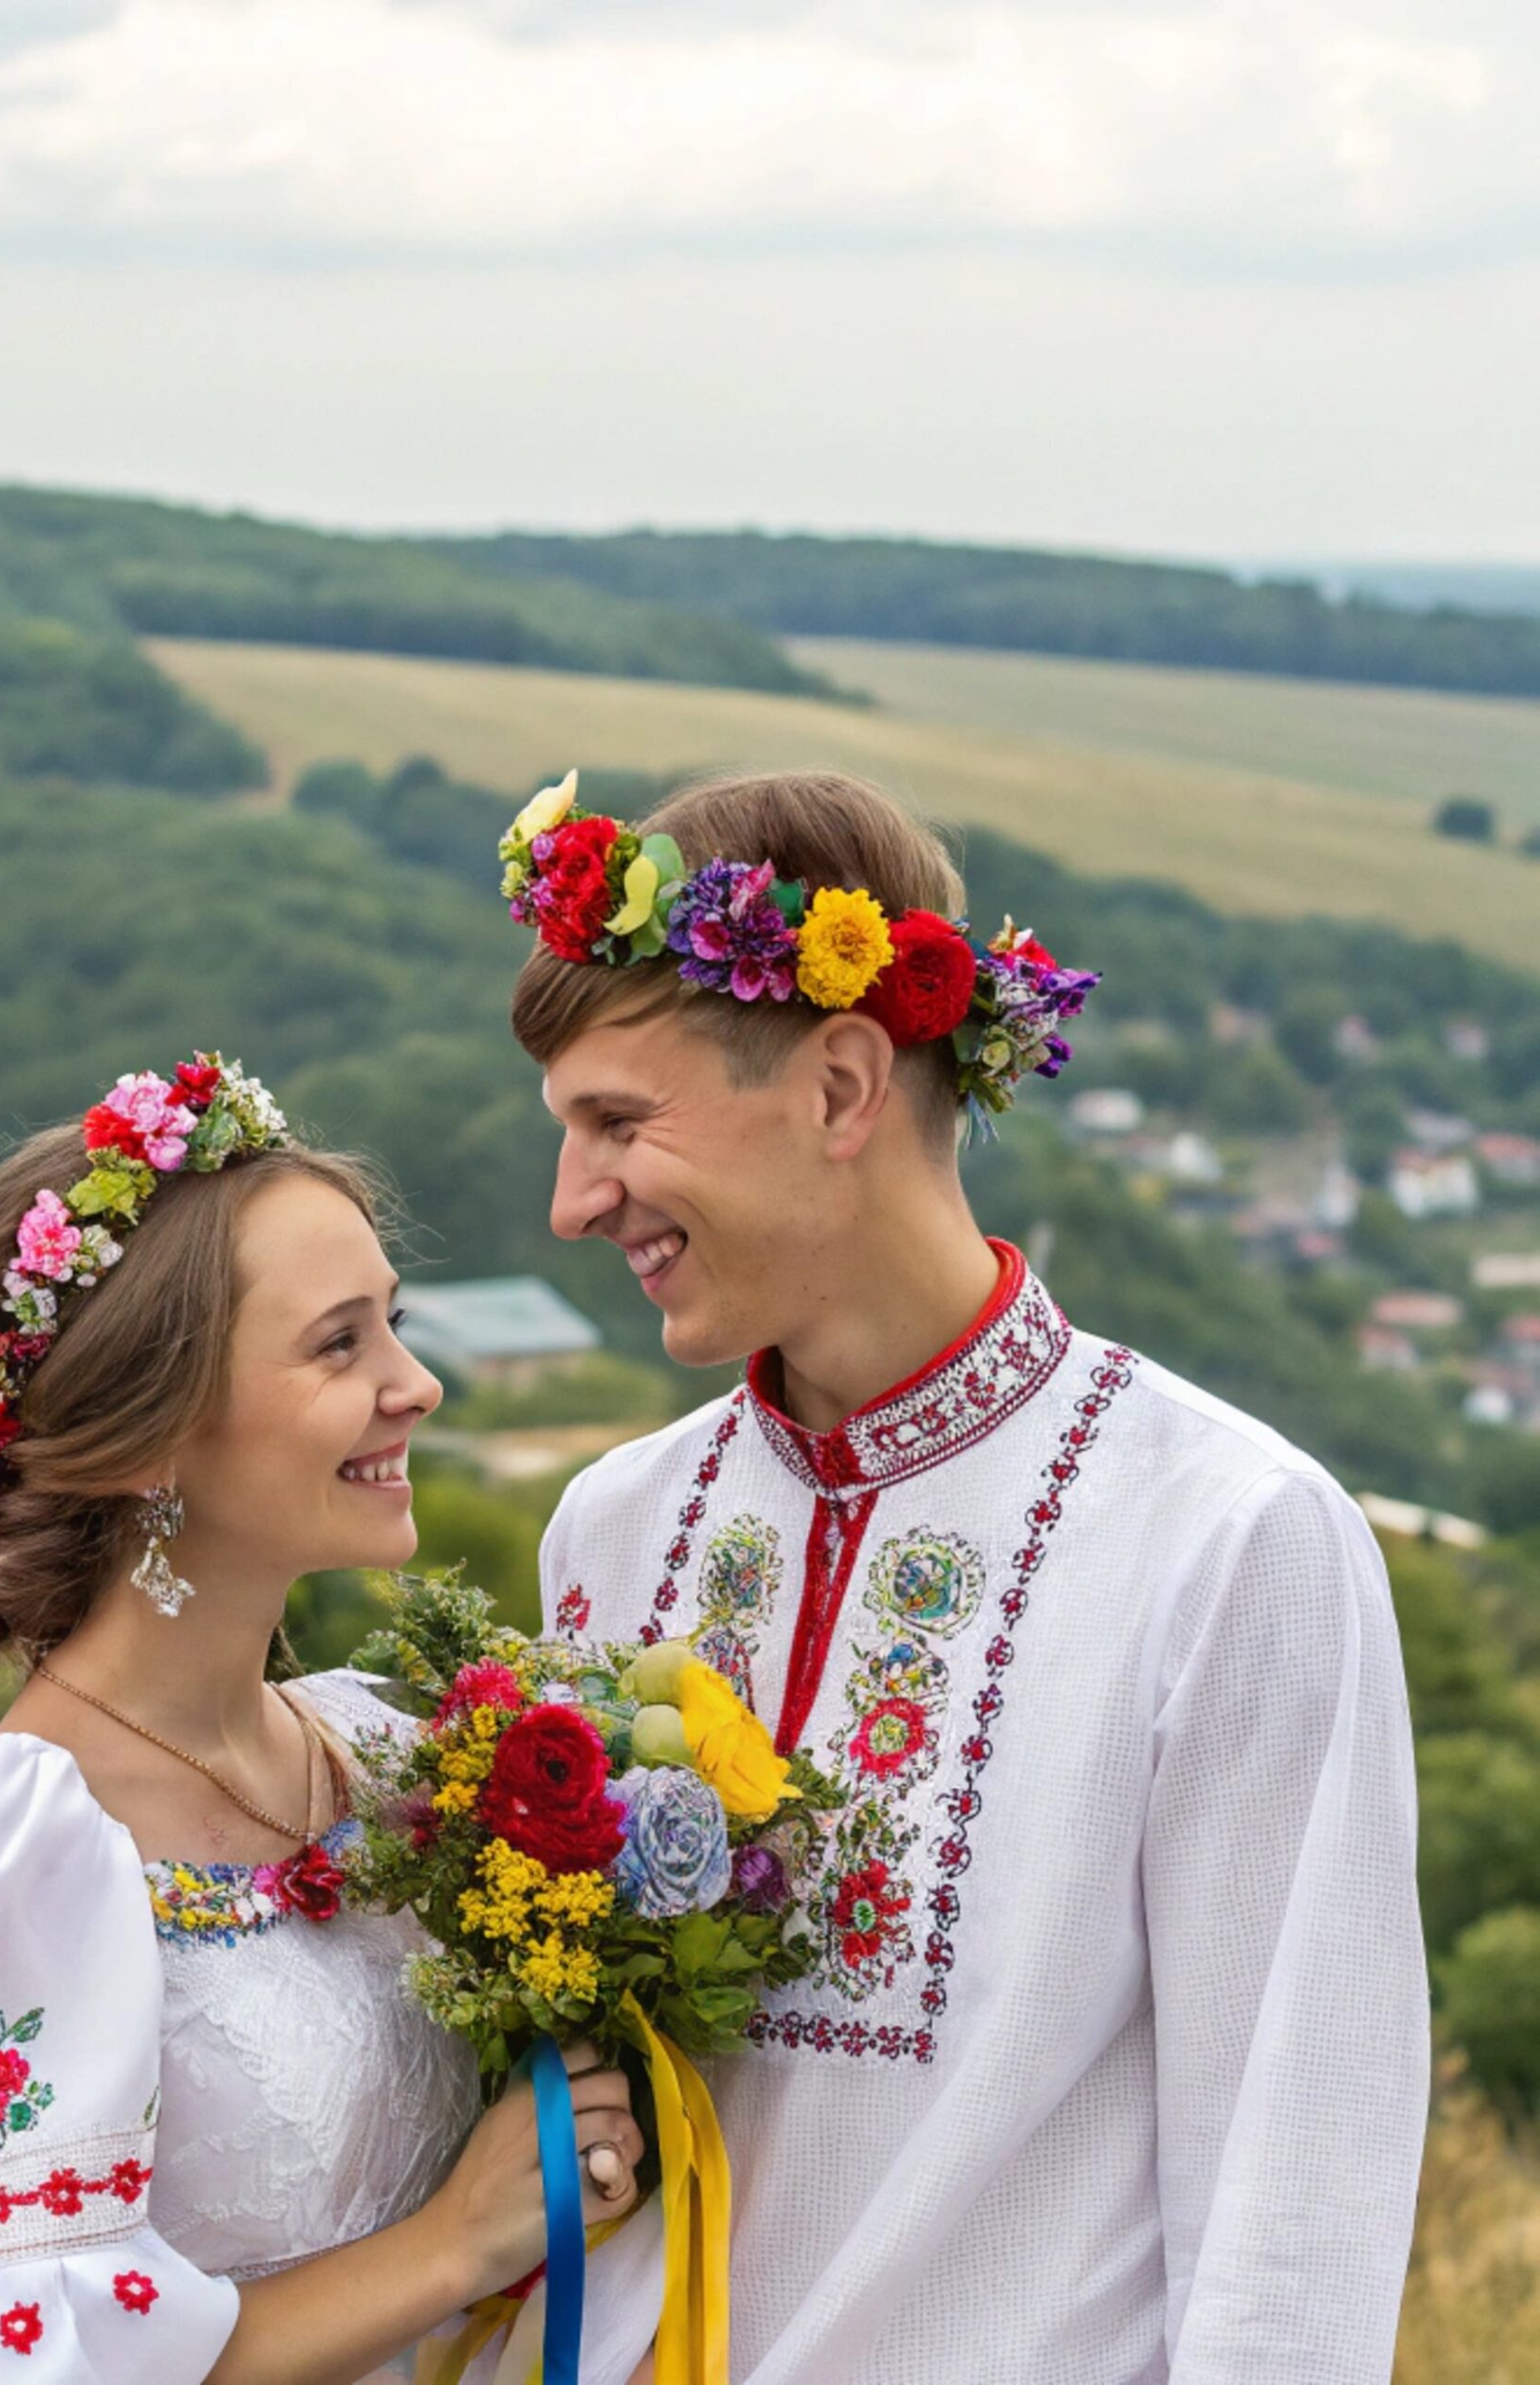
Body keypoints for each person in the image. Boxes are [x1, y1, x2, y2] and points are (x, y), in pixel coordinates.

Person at [499, 769, 1427, 2384]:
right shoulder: (614, 1530)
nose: (575, 1203)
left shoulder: (1230, 1538)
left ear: (845, 1086)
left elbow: (1295, 2184)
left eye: (619, 1124)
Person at [0, 1056, 649, 2385]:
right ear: (147, 1442)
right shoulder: (27, 1840)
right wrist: (456, 2243)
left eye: (394, 1323)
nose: (415, 1384)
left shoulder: (387, 1757)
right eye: (339, 1343)